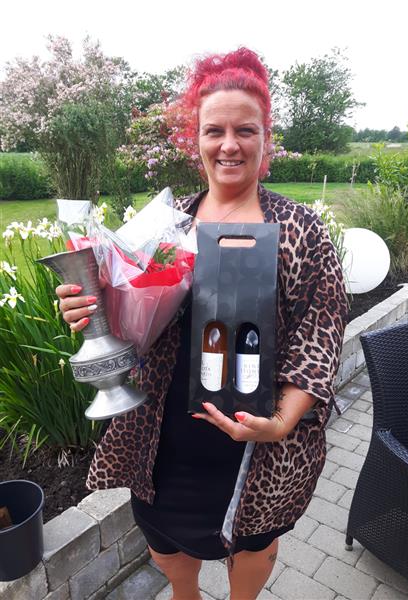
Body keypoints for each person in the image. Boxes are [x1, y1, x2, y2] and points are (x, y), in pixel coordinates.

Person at [56, 48, 348, 600]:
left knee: (253, 545)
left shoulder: (301, 230)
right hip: (164, 438)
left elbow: (320, 335)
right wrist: (87, 309)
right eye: (215, 130)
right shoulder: (167, 226)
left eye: (246, 130)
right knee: (165, 543)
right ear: (197, 140)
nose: (229, 144)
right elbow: (125, 316)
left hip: (258, 443)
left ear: (266, 138)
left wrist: (281, 422)